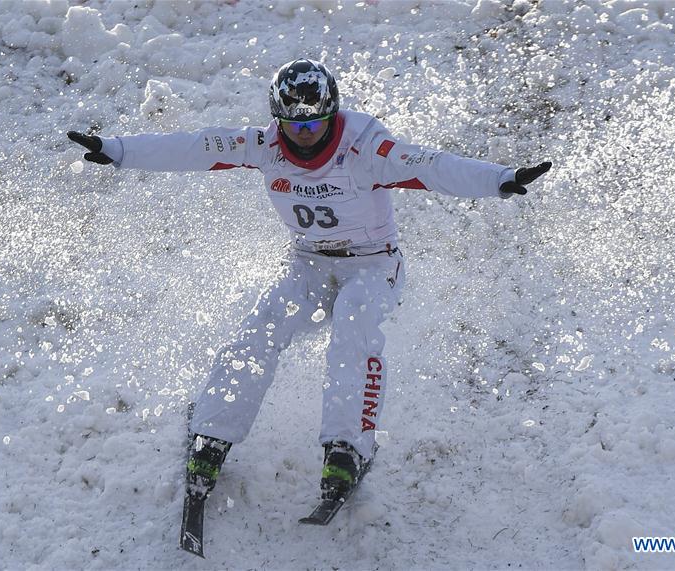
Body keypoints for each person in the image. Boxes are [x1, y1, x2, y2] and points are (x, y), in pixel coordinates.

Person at [68, 58, 551, 503]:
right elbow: (196, 146)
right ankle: (210, 433)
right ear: (278, 118)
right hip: (307, 264)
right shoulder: (264, 145)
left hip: (373, 265)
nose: (302, 133)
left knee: (353, 333)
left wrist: (500, 179)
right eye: (293, 124)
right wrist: (118, 151)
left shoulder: (366, 149)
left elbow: (432, 167)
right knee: (259, 330)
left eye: (313, 123)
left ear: (331, 114)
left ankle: (347, 449)